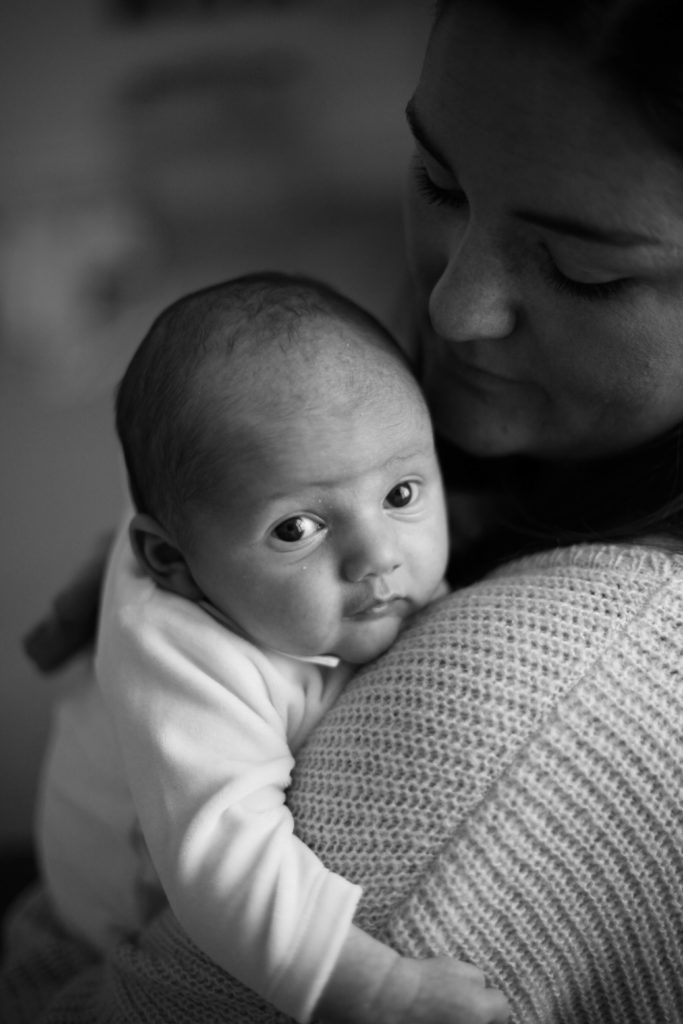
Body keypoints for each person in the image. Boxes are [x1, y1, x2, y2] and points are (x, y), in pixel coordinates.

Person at [3, 0, 683, 1021]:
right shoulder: (489, 445)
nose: (451, 307)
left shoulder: (567, 693)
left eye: (581, 269)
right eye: (436, 183)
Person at [34, 270, 496, 1024]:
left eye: (402, 495)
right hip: (114, 896)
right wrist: (378, 990)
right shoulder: (185, 659)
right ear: (173, 564)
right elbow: (223, 863)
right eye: (296, 530)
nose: (376, 557)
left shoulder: (253, 511)